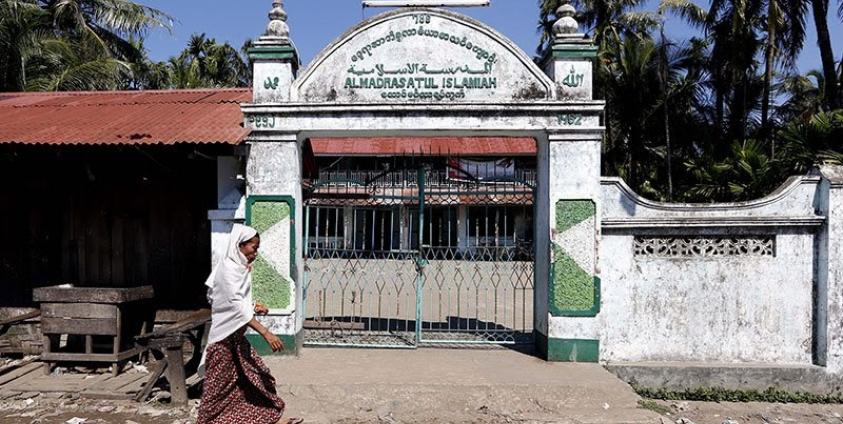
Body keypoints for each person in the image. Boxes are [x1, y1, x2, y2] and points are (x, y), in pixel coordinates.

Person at [197, 224, 303, 424]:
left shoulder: (238, 268)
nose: (255, 253)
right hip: (222, 343)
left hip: (236, 339)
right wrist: (266, 333)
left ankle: (268, 418)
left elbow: (235, 299)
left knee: (256, 378)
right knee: (217, 391)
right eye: (253, 248)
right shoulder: (228, 270)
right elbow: (234, 306)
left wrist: (253, 305)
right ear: (241, 245)